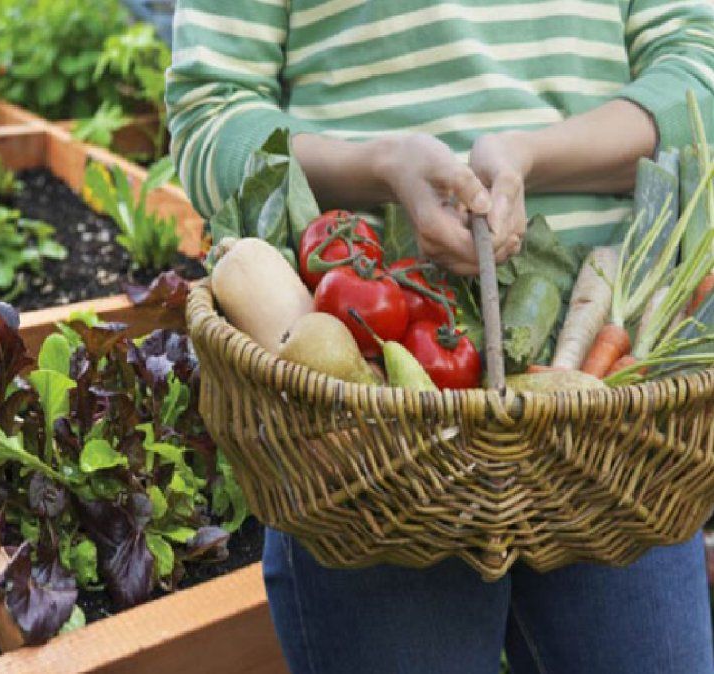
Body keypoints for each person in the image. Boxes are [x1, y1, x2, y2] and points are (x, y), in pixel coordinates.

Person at [166, 1, 714, 673]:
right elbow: (208, 117)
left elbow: (699, 74)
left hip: (624, 417)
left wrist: (533, 155)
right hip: (366, 435)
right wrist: (382, 165)